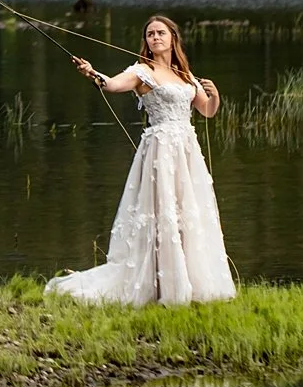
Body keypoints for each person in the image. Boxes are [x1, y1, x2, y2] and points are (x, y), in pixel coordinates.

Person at [46, 15, 235, 306]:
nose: (155, 38)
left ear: (173, 38)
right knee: (162, 214)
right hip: (159, 150)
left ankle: (191, 282)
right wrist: (94, 73)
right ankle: (163, 285)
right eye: (150, 34)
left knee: (189, 213)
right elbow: (112, 85)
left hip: (186, 150)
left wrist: (215, 95)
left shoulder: (184, 75)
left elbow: (207, 111)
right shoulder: (141, 71)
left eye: (160, 33)